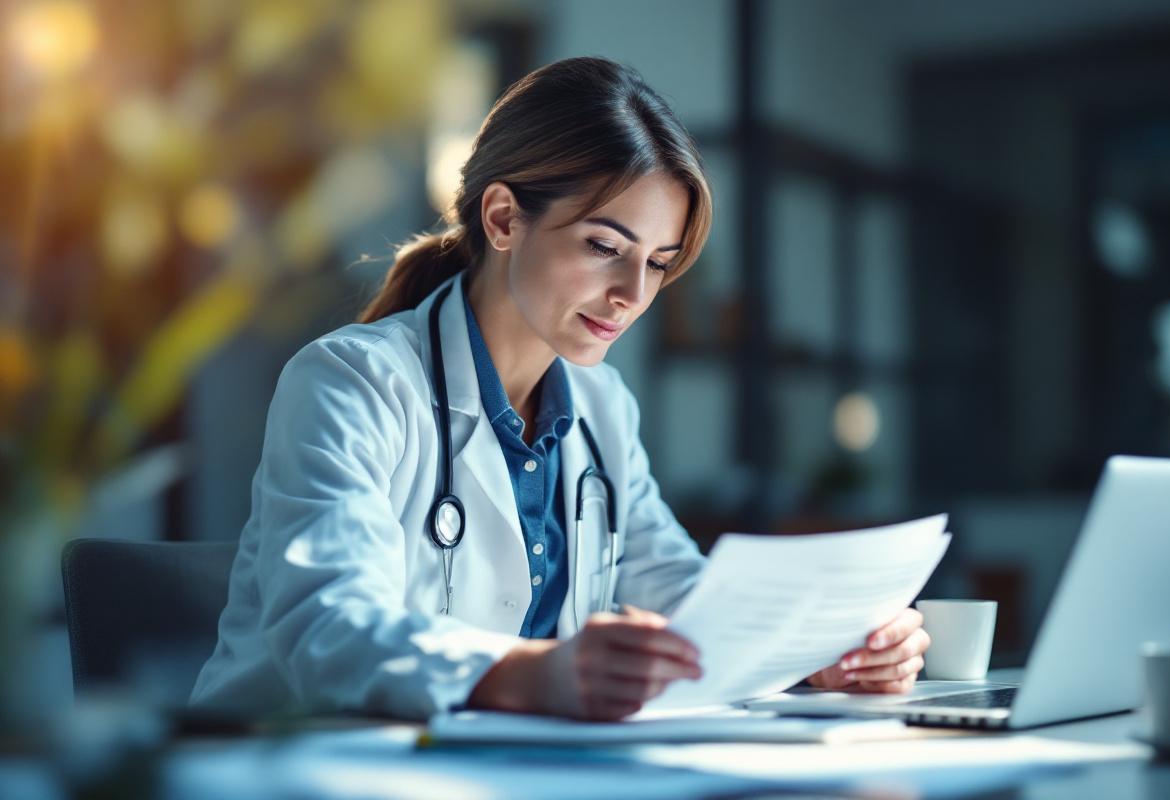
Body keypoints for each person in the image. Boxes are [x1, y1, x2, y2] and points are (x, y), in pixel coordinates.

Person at [189, 56, 929, 722]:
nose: (631, 295)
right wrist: (534, 674)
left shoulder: (602, 407)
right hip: (292, 765)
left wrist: (820, 653)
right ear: (504, 218)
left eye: (659, 263)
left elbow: (681, 595)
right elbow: (330, 626)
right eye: (605, 247)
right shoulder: (353, 382)